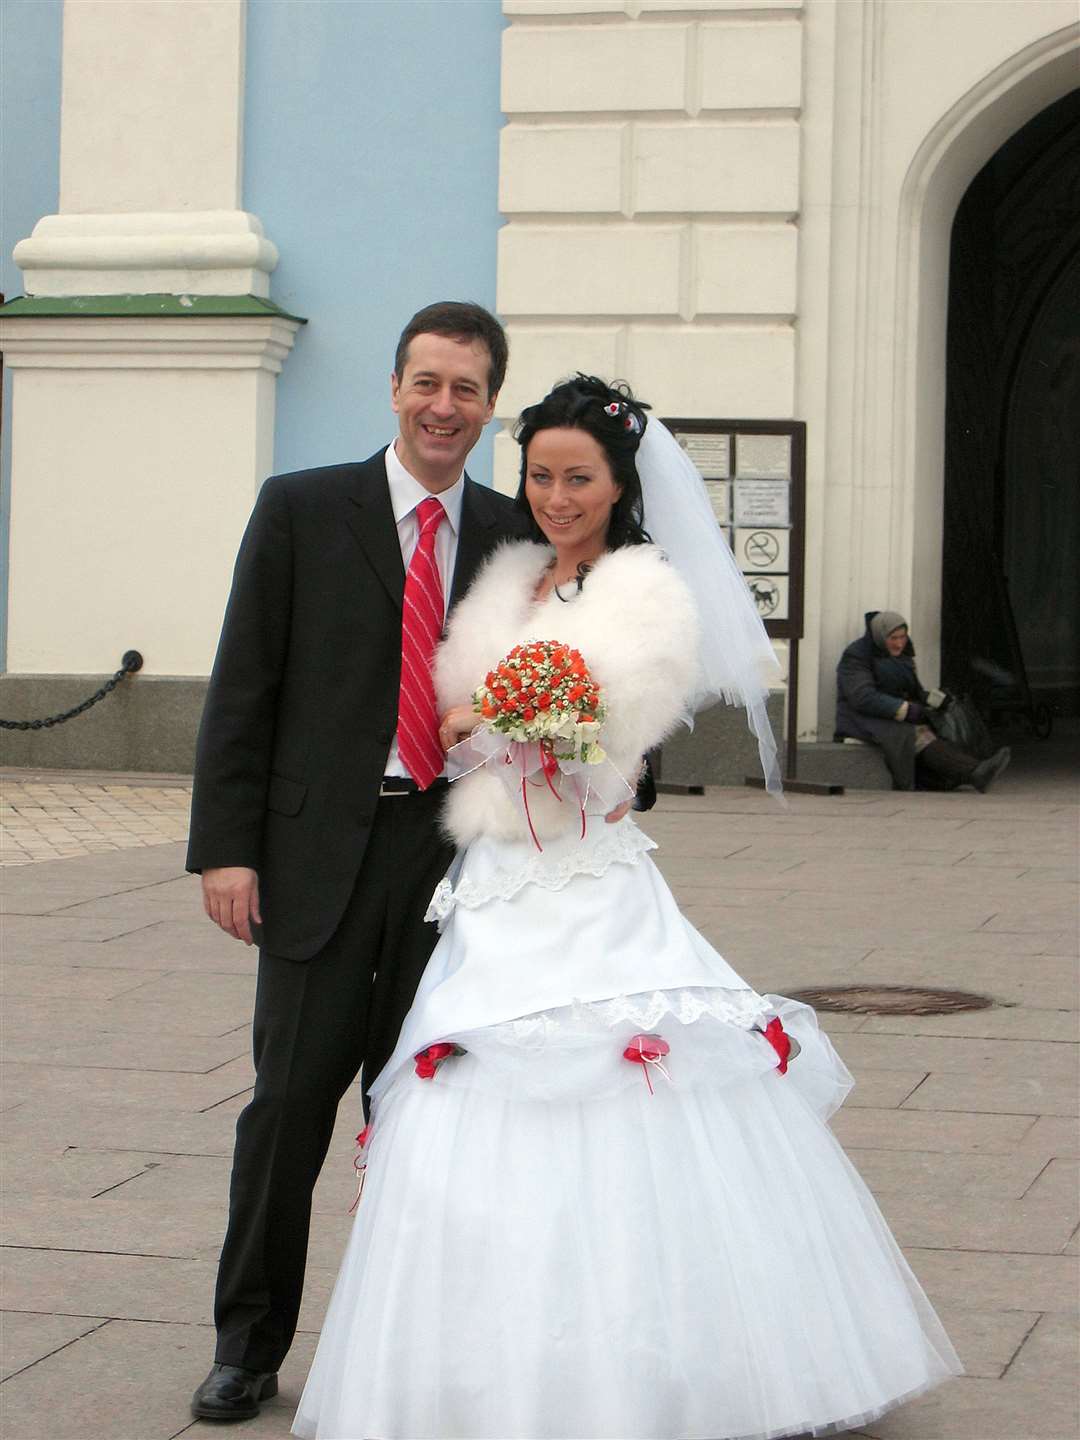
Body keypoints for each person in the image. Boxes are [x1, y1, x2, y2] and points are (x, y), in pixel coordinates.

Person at [292, 376, 961, 1440]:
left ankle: (670, 1368)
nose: (556, 497)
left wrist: (520, 720)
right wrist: (491, 716)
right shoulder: (508, 576)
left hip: (589, 874)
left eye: (579, 478)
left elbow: (608, 750)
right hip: (494, 882)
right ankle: (486, 1366)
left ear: (618, 484)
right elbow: (445, 712)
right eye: (542, 475)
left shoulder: (645, 592)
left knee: (630, 1096)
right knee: (477, 1102)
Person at [186, 302, 536, 1423]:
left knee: (431, 1114)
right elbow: (245, 685)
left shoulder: (509, 535)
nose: (445, 407)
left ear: (491, 405)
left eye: (467, 390)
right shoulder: (300, 510)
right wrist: (227, 852)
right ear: (394, 389)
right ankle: (248, 1343)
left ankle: (411, 1347)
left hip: (451, 863)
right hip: (313, 857)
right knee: (290, 1106)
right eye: (427, 383)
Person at [835, 610, 1011, 791]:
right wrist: (904, 709)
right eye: (893, 638)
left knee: (937, 727)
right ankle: (975, 772)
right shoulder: (856, 656)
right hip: (861, 719)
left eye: (902, 637)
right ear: (880, 636)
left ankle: (959, 773)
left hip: (890, 714)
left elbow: (914, 690)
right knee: (915, 734)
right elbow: (862, 697)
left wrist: (933, 700)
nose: (899, 643)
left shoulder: (903, 656)